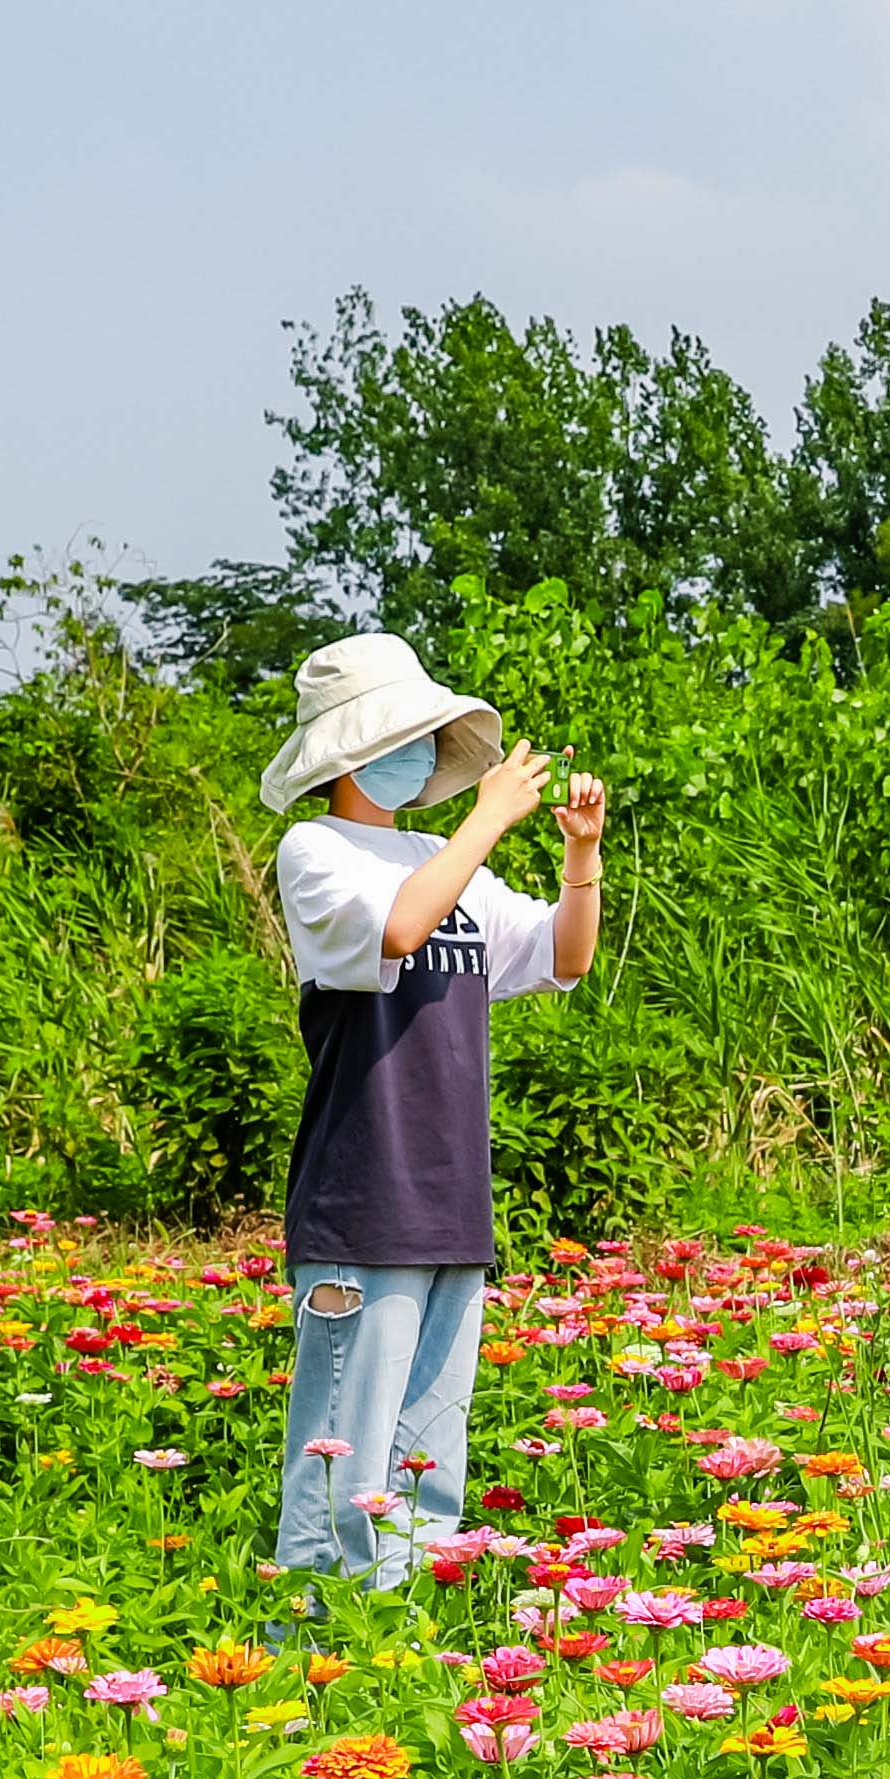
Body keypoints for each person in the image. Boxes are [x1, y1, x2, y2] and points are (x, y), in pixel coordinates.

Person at [257, 629, 605, 1589]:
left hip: (452, 1200)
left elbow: (561, 956)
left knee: (426, 1472)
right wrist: (487, 821)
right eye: (406, 734)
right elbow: (403, 929)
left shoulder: (436, 853)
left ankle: (395, 1658)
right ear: (355, 746)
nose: (422, 755)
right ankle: (315, 1661)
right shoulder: (315, 849)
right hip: (364, 1197)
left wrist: (583, 859)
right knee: (341, 1461)